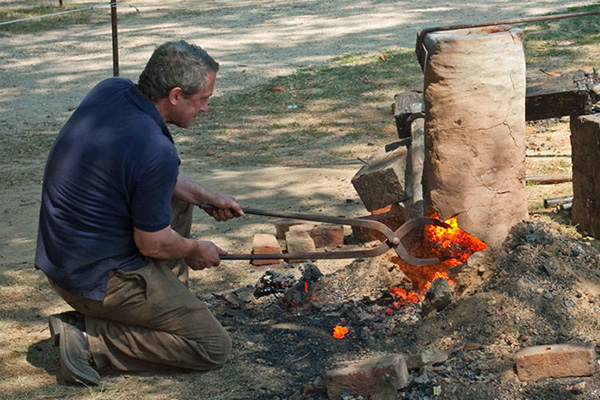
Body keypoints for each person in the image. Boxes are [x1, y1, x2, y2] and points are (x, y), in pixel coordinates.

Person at [35, 40, 244, 386]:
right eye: (202, 99)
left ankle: (165, 306)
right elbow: (152, 242)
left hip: (65, 255)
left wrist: (208, 196)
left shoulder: (113, 90)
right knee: (212, 346)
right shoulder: (154, 149)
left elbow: (146, 176)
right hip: (93, 278)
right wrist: (195, 250)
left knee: (180, 199)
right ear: (175, 95)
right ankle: (88, 338)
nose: (205, 108)